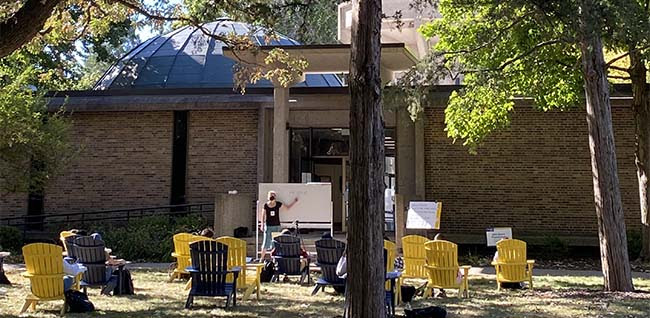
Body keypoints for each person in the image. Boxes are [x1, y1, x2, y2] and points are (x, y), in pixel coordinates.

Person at [259, 191, 298, 261]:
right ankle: (261, 258)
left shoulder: (278, 204)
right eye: (270, 195)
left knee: (275, 243)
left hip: (276, 225)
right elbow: (263, 215)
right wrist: (262, 224)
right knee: (265, 242)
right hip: (268, 226)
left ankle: (274, 259)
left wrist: (294, 202)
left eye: (273, 195)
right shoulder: (265, 205)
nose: (272, 197)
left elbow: (287, 208)